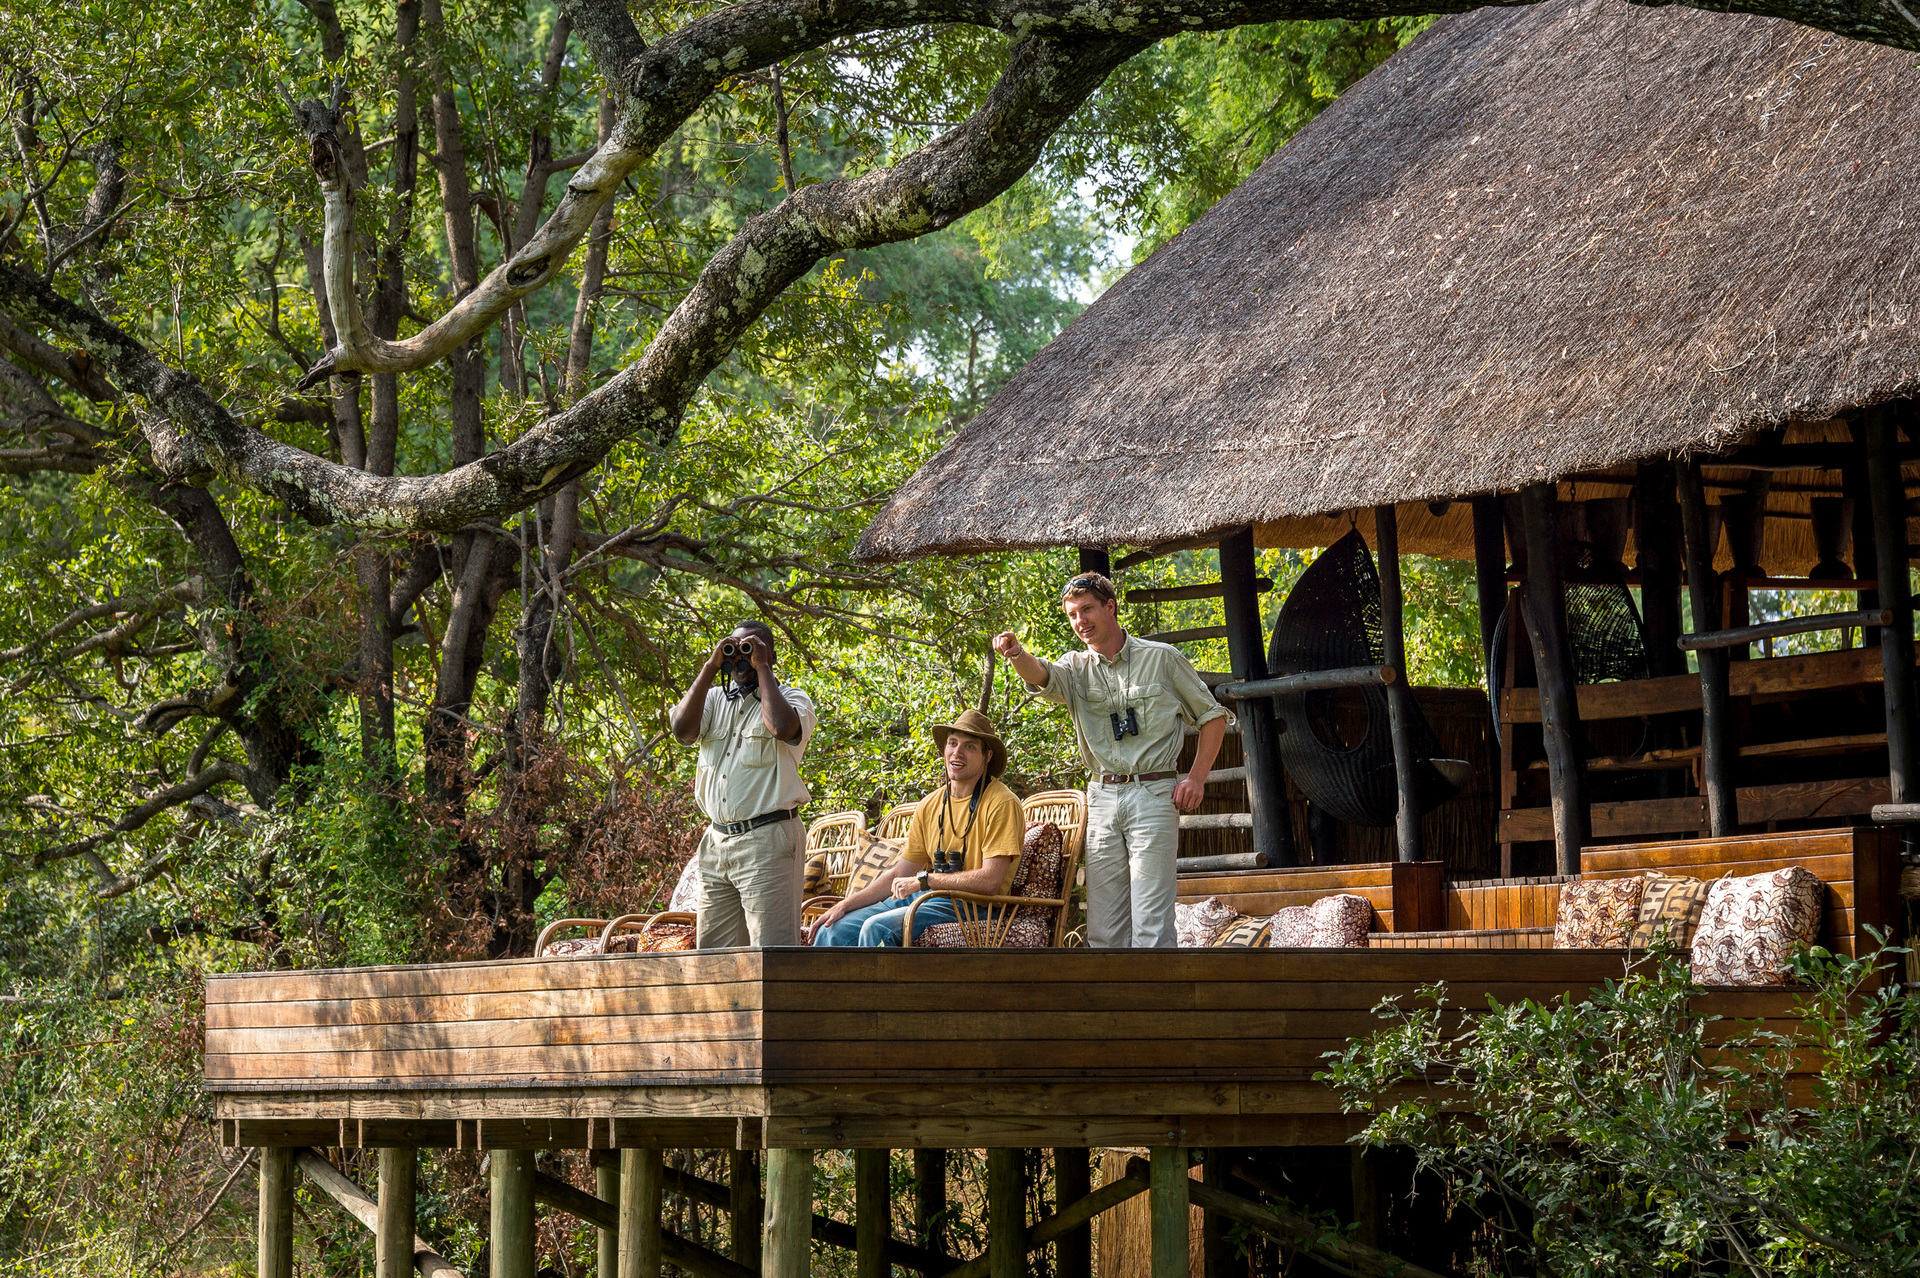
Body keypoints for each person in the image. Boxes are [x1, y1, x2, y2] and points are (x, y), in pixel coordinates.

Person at [993, 572, 1227, 948]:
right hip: (1102, 796)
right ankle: (1115, 1006)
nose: (1080, 621)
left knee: (1151, 921)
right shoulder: (1074, 667)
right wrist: (1017, 654)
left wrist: (1196, 778)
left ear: (1111, 607)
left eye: (1087, 609)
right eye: (1072, 614)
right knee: (1104, 927)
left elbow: (1213, 716)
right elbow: (1042, 676)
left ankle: (1155, 1006)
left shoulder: (1161, 659)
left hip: (1153, 794)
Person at [806, 708, 1024, 947]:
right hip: (928, 897)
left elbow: (989, 881)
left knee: (877, 929)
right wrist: (843, 905)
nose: (957, 752)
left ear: (987, 756)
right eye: (952, 743)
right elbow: (901, 873)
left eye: (970, 746)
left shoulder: (1002, 802)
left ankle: (878, 986)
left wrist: (925, 880)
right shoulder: (930, 804)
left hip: (974, 907)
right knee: (833, 930)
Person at [669, 621, 817, 947]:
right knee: (714, 959)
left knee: (770, 954)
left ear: (772, 655)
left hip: (767, 841)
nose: (742, 657)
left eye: (751, 648)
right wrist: (711, 665)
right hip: (716, 842)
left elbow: (781, 728)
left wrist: (760, 666)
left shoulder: (793, 699)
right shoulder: (712, 700)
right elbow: (682, 731)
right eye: (735, 649)